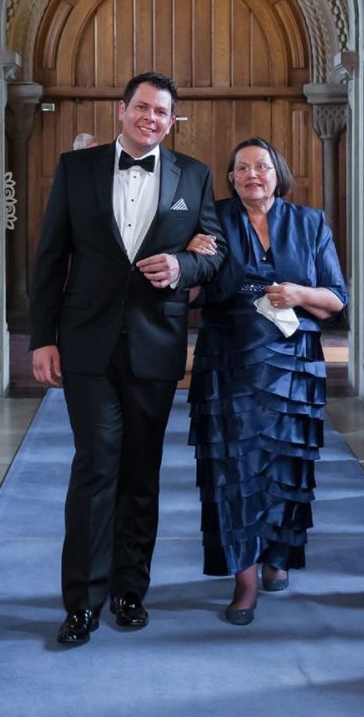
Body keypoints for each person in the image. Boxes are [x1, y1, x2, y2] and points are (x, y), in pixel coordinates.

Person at [30, 71, 226, 646]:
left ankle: (129, 591)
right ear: (122, 110)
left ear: (172, 121)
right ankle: (82, 603)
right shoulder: (76, 169)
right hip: (85, 342)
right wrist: (44, 338)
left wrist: (183, 267)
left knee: (141, 472)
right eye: (142, 107)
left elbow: (212, 256)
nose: (151, 118)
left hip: (156, 343)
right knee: (95, 466)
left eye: (162, 112)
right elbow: (49, 258)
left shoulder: (194, 175)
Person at [182, 138, 347, 626]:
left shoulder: (310, 222)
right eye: (242, 168)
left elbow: (337, 298)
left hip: (294, 362)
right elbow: (188, 294)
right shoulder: (210, 219)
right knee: (235, 467)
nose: (253, 174)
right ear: (230, 177)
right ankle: (245, 576)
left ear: (279, 173)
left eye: (263, 166)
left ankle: (279, 553)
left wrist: (298, 293)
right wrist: (189, 255)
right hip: (229, 359)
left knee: (287, 464)